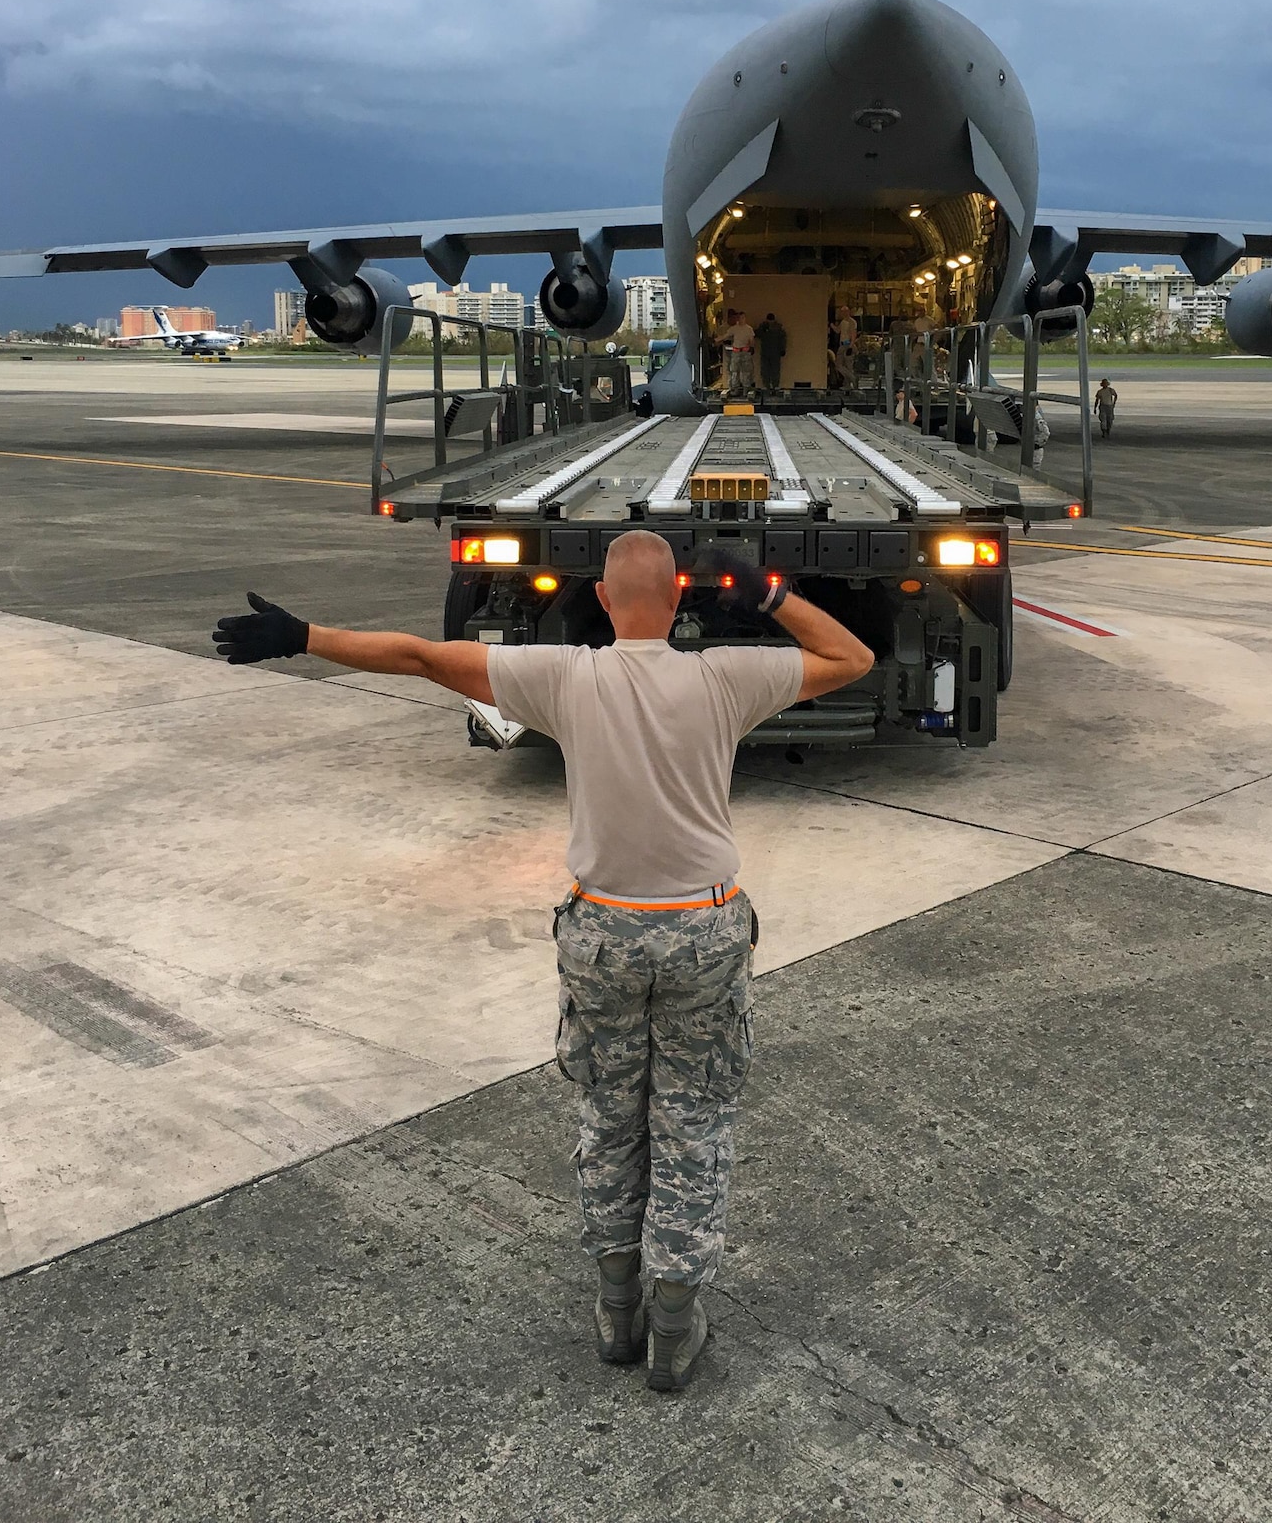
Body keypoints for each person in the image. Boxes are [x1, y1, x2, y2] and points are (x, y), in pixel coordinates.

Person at [211, 535, 873, 1393]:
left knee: (609, 1114)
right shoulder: (726, 678)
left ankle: (615, 1306)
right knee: (693, 1120)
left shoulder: (565, 676)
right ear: (679, 600)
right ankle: (674, 1322)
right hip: (702, 933)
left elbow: (418, 657)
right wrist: (773, 595)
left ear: (602, 598)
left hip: (603, 931)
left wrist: (302, 636)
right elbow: (850, 657)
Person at [726, 311, 756, 398]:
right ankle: (735, 389)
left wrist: (752, 347)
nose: (741, 319)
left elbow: (752, 340)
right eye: (739, 318)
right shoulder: (734, 328)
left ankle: (746, 389)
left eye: (743, 317)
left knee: (746, 371)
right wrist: (716, 340)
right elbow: (726, 335)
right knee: (734, 371)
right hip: (736, 352)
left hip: (745, 352)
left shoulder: (749, 329)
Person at [755, 311, 786, 392]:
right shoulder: (764, 326)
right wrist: (763, 330)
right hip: (767, 352)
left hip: (774, 352)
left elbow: (783, 339)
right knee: (766, 370)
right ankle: (767, 386)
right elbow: (756, 334)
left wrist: (782, 349)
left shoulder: (778, 328)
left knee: (774, 370)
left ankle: (774, 386)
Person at [834, 304, 857, 387]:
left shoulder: (852, 322)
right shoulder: (843, 322)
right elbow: (837, 331)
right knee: (841, 365)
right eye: (842, 312)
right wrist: (831, 325)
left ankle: (852, 379)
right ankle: (848, 383)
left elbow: (853, 334)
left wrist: (851, 346)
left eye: (845, 311)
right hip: (842, 345)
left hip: (847, 345)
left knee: (846, 365)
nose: (843, 313)